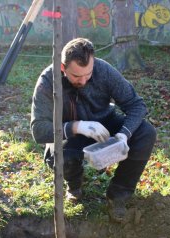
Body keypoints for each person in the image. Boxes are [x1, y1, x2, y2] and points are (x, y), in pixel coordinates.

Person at [31, 38, 156, 223]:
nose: (83, 80)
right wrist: (77, 126)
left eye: (87, 74)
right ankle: (74, 185)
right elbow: (38, 130)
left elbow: (136, 105)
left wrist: (124, 134)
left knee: (146, 133)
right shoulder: (48, 81)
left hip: (106, 122)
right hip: (71, 132)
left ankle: (119, 194)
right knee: (58, 156)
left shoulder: (103, 70)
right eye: (76, 76)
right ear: (63, 68)